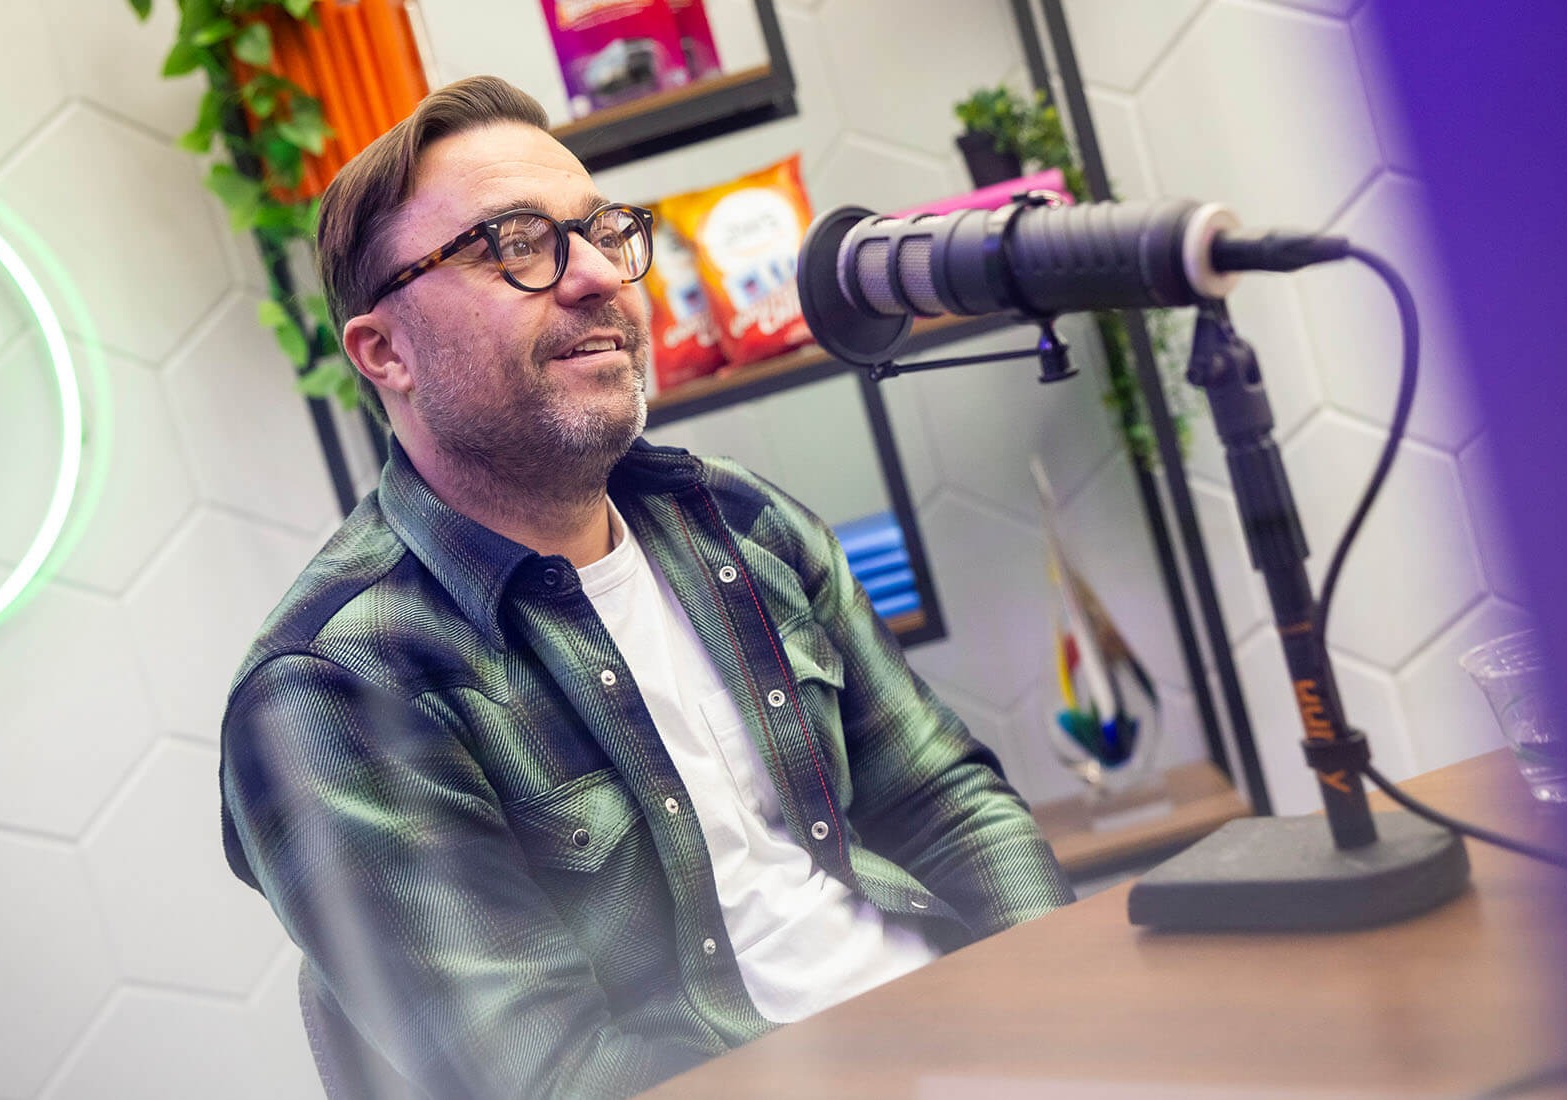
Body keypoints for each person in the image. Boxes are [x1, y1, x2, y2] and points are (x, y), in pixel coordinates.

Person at [219, 75, 1074, 1099]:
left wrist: (1063, 1016)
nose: (594, 277)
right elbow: (552, 1075)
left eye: (601, 231)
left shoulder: (741, 522)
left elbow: (948, 805)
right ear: (383, 351)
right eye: (512, 244)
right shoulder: (334, 690)